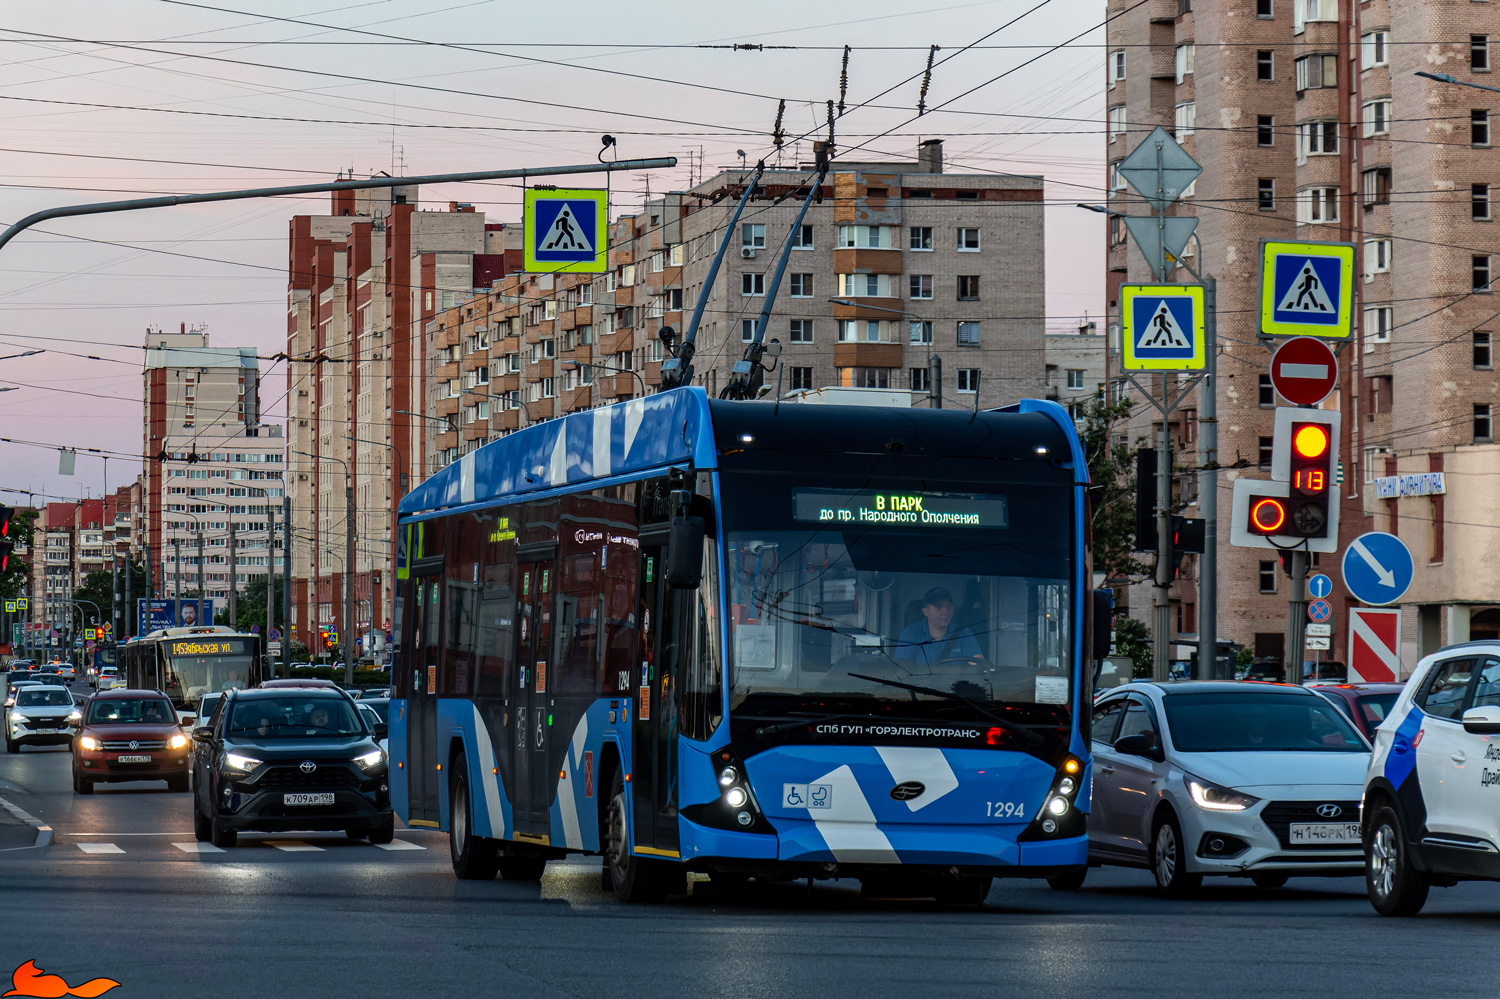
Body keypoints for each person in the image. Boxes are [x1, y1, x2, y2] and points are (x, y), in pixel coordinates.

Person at [895, 587, 983, 666]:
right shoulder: (911, 632)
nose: (945, 611)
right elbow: (901, 669)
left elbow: (978, 664)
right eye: (938, 607)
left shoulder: (963, 633)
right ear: (926, 611)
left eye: (948, 607)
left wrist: (981, 667)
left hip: (956, 684)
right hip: (918, 684)